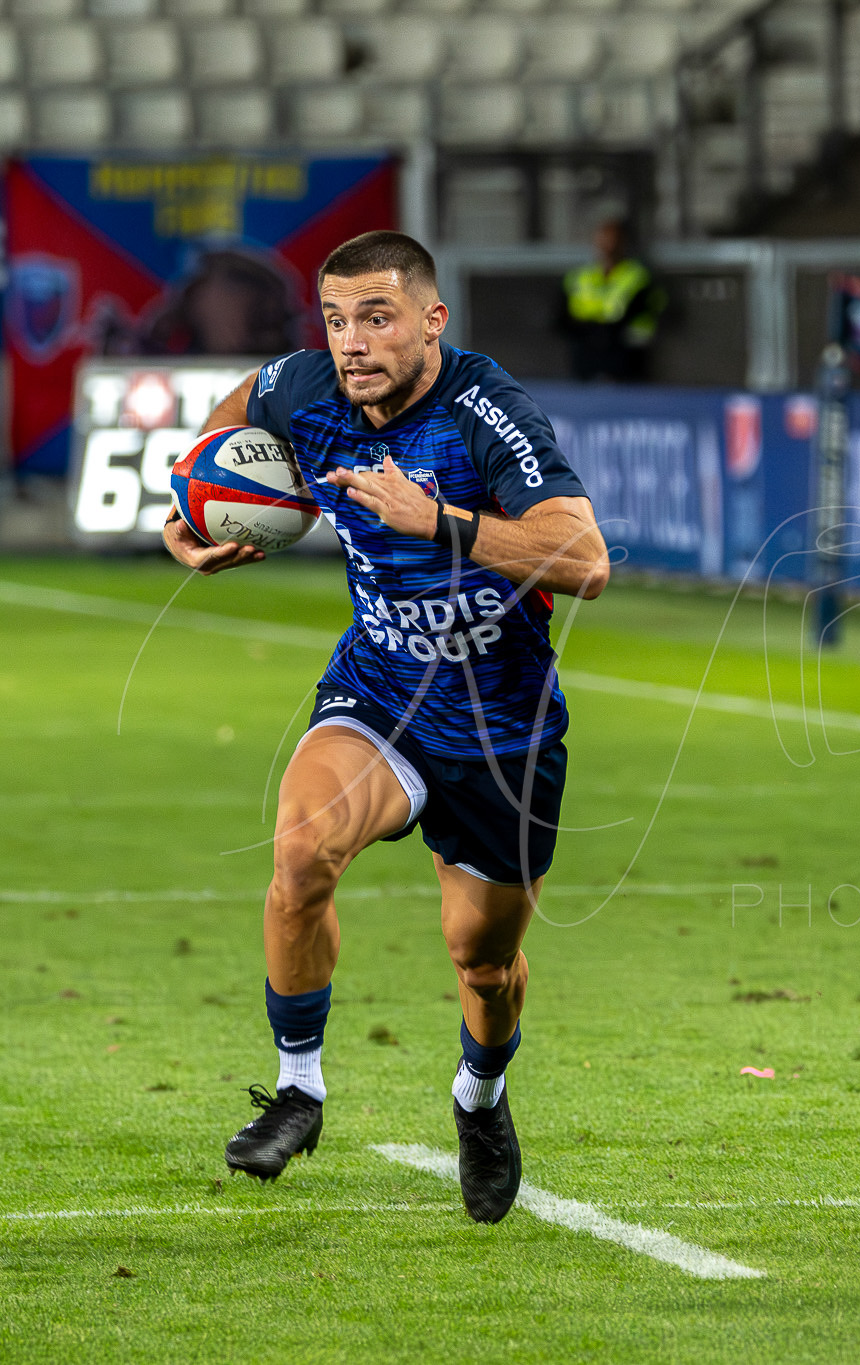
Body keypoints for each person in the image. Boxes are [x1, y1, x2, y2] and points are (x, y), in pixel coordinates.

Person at [165, 231, 611, 1221]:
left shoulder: (482, 413)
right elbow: (233, 415)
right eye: (335, 319)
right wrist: (201, 510)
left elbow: (585, 559)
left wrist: (434, 522)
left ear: (430, 322)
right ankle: (298, 1089)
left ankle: (480, 1099)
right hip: (378, 693)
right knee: (300, 850)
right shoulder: (305, 390)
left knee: (483, 965)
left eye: (377, 317)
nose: (353, 342)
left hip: (502, 732)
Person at [558, 217, 665, 383]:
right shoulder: (579, 277)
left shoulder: (638, 276)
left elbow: (636, 313)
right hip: (585, 358)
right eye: (604, 238)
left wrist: (603, 331)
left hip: (626, 359)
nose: (609, 245)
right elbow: (561, 318)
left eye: (614, 239)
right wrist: (590, 331)